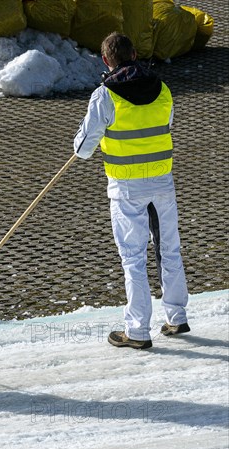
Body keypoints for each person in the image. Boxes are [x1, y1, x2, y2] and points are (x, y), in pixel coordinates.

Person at [74, 32, 190, 350]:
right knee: (170, 250)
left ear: (106, 60)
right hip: (162, 181)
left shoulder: (104, 95)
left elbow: (83, 149)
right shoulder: (163, 88)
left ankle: (138, 331)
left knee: (133, 258)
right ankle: (177, 317)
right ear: (135, 54)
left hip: (127, 187)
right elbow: (164, 124)